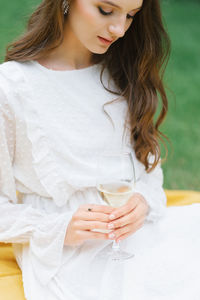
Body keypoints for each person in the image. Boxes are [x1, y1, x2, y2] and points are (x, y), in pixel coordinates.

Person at [0, 0, 200, 299]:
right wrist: (59, 227)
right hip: (71, 256)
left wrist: (143, 202)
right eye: (106, 10)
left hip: (138, 236)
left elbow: (148, 173)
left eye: (131, 16)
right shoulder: (12, 86)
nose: (119, 29)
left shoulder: (123, 73)